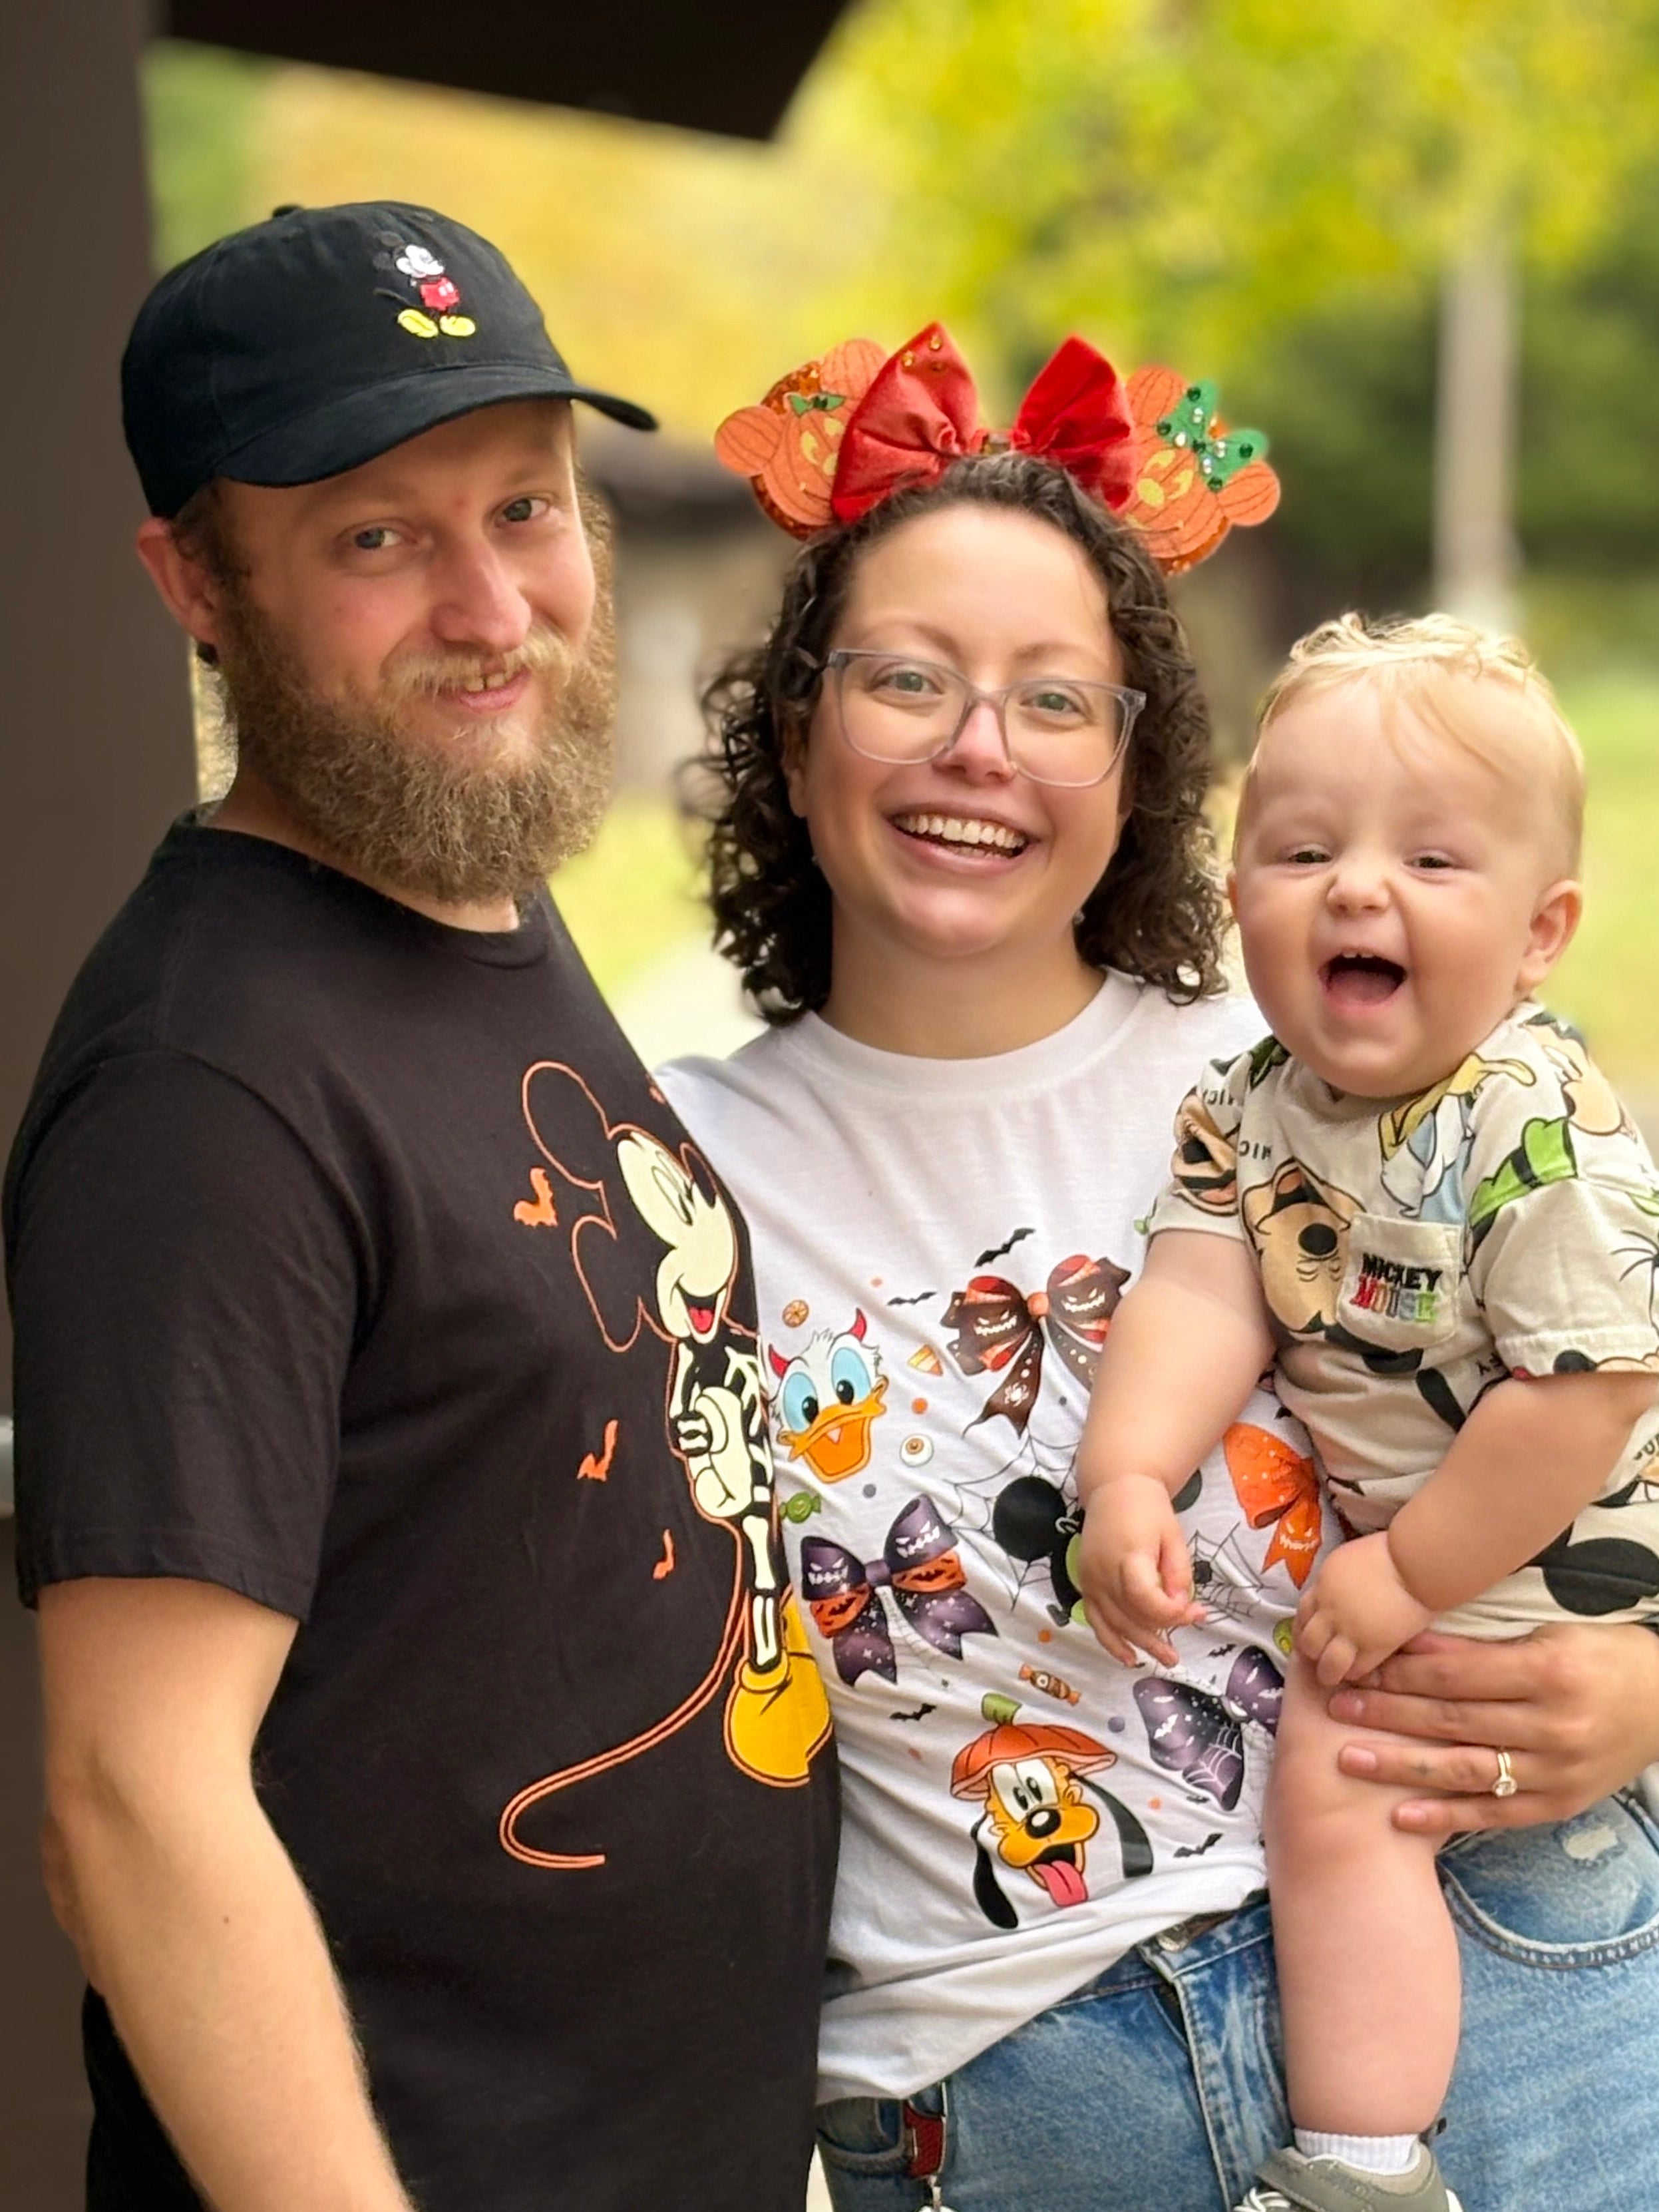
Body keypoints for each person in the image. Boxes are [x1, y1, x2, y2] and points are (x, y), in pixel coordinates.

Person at [658, 323, 1659, 2212]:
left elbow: (1605, 1361)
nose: (978, 745)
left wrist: (1647, 1679)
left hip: (1510, 1963)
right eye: (906, 678)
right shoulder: (657, 1166)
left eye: (1054, 698)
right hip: (1028, 2102)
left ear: (1133, 771)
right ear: (792, 733)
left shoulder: (1323, 1065)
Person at [4, 201, 834, 2212]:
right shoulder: (207, 1084)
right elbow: (132, 1803)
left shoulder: (460, 895)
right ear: (196, 583)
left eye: (524, 509)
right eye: (378, 538)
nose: (490, 606)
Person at [1077, 612, 1659, 2212]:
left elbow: (1584, 1393)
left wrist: (1406, 1573)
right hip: (1454, 1536)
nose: (1353, 887)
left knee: (1342, 1775)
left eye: (1429, 860)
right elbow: (1202, 1291)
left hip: (1553, 1543)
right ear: (1234, 895)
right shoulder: (1248, 1104)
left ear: (1539, 933)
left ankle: (1361, 2164)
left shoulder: (1532, 1121)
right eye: (1303, 849)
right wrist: (1126, 1472)